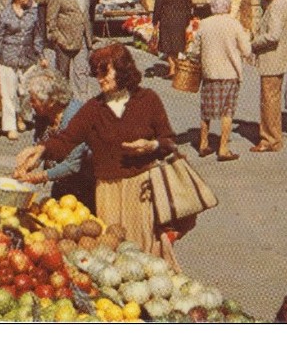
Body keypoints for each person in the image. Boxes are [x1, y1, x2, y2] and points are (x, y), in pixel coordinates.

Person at [14, 44, 181, 267]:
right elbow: (66, 140)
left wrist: (152, 145)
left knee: (141, 253)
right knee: (110, 258)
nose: (99, 79)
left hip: (140, 190)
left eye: (104, 72)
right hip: (106, 192)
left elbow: (169, 141)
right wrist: (40, 150)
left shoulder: (148, 100)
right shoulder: (94, 108)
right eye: (96, 73)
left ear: (122, 70)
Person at [15, 68, 96, 212]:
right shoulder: (43, 115)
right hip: (60, 185)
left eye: (34, 100)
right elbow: (41, 147)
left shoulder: (75, 117)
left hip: (85, 185)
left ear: (51, 101)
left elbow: (72, 165)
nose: (31, 104)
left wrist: (35, 178)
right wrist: (25, 166)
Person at [188, 0, 251, 161]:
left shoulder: (204, 24)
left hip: (209, 72)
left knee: (206, 110)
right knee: (227, 111)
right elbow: (247, 50)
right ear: (228, 5)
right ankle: (223, 148)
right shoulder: (234, 24)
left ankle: (203, 144)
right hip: (230, 73)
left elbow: (194, 51)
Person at [0, 0, 46, 140]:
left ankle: (23, 115)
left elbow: (38, 36)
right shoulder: (4, 14)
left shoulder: (33, 13)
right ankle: (10, 125)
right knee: (8, 93)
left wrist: (41, 56)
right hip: (7, 57)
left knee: (26, 91)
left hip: (28, 57)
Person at [250, 0, 287, 153]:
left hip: (272, 59)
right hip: (277, 58)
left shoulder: (276, 6)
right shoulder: (279, 2)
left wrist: (253, 43)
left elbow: (273, 36)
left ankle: (269, 139)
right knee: (272, 100)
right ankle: (274, 138)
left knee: (268, 101)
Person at [46, 0, 90, 82]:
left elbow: (86, 16)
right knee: (62, 75)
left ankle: (83, 99)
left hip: (82, 40)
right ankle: (64, 99)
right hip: (64, 41)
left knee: (82, 73)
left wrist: (89, 39)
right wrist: (58, 38)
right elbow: (51, 18)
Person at [152, 0, 194, 78]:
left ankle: (172, 68)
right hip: (181, 18)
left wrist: (155, 20)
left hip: (167, 17)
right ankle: (175, 67)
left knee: (167, 44)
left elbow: (158, 4)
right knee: (178, 43)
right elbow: (189, 4)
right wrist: (188, 19)